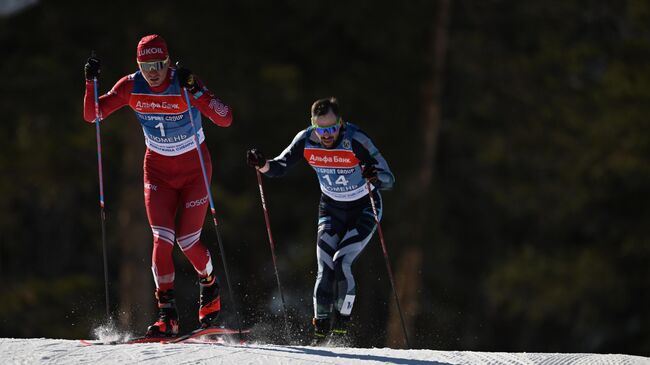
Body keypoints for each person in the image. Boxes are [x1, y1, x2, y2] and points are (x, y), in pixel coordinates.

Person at [83, 34, 233, 337]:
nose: (152, 71)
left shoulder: (184, 81)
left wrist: (197, 91)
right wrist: (90, 83)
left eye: (158, 64)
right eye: (145, 64)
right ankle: (167, 316)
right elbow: (93, 115)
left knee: (188, 241)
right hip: (158, 172)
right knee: (161, 239)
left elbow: (225, 117)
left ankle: (210, 289)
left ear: (168, 61)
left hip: (195, 171)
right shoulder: (130, 86)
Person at [246, 97, 394, 344]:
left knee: (341, 261)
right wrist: (261, 164)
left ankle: (341, 328)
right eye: (321, 129)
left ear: (341, 123)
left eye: (332, 128)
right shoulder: (305, 139)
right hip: (332, 208)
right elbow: (279, 166)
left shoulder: (356, 140)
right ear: (313, 125)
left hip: (364, 208)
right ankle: (321, 333)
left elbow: (389, 179)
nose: (327, 135)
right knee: (325, 268)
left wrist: (374, 176)